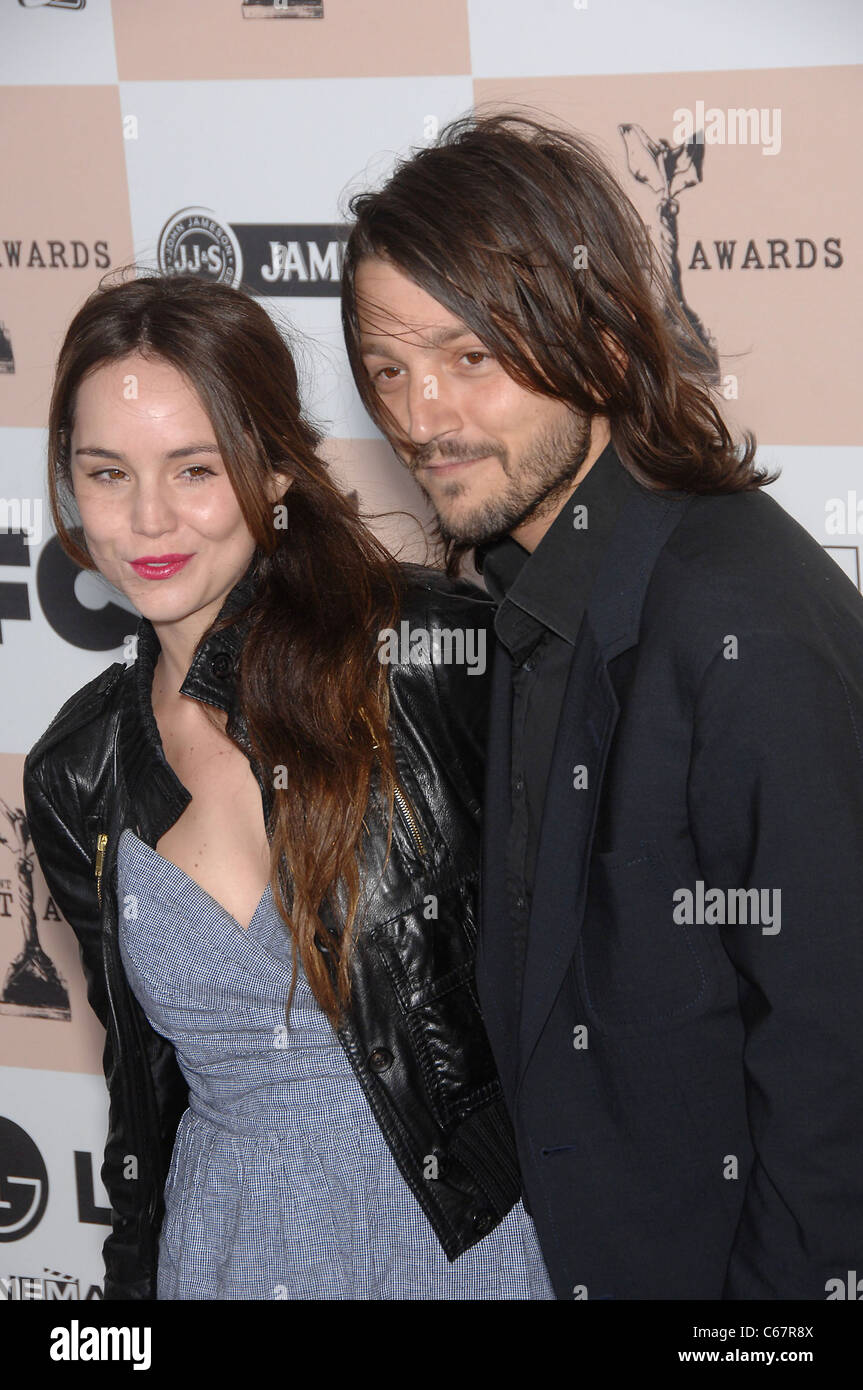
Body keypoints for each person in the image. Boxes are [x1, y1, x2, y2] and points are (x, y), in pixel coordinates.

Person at [340, 111, 863, 1300]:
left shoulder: (738, 620)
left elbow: (835, 1065)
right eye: (386, 368)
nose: (419, 415)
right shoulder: (540, 589)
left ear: (600, 339)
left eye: (469, 356)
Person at [22, 270, 554, 1301]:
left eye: (194, 469)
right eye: (105, 473)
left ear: (271, 472)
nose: (145, 520)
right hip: (228, 1248)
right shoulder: (75, 771)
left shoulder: (429, 660)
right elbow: (142, 1106)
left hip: (455, 1236)